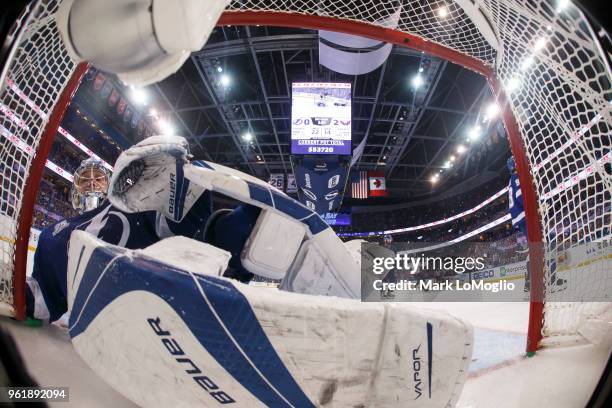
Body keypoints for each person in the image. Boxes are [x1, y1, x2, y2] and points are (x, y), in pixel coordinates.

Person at [25, 156, 258, 323]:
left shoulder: (127, 205)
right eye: (86, 180)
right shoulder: (52, 234)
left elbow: (178, 221)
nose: (93, 184)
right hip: (113, 314)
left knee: (205, 228)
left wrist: (177, 177)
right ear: (75, 190)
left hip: (155, 291)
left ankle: (252, 236)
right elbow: (40, 299)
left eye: (99, 180)